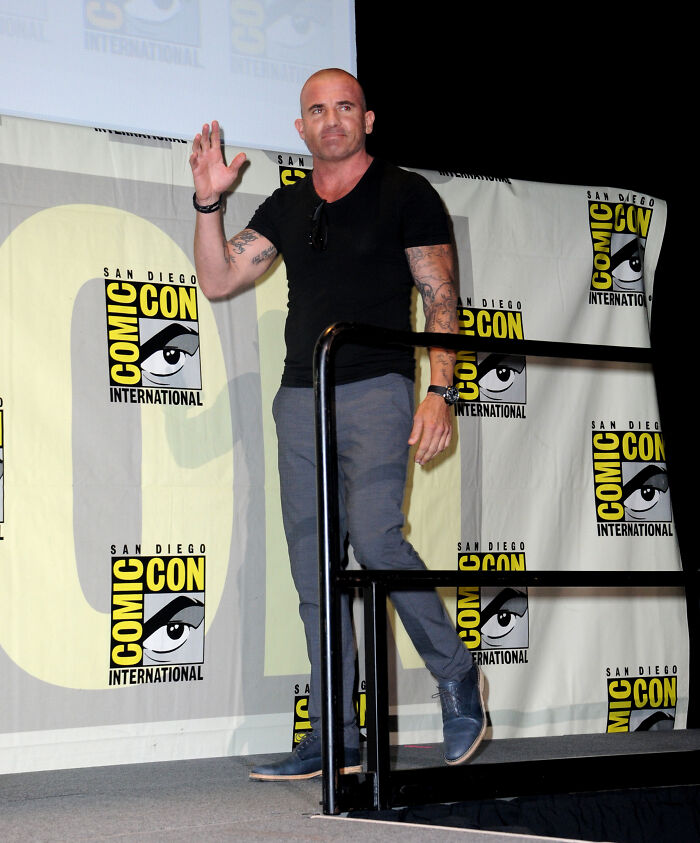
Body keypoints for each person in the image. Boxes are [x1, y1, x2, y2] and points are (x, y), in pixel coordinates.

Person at [190, 68, 486, 781]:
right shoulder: (288, 203)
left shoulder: (406, 192)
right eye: (317, 110)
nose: (331, 119)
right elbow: (219, 278)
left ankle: (456, 674)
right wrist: (207, 203)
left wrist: (439, 390)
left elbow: (439, 297)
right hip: (301, 395)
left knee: (379, 538)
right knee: (314, 570)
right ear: (300, 128)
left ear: (368, 119)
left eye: (344, 107)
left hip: (380, 386)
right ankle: (336, 734)